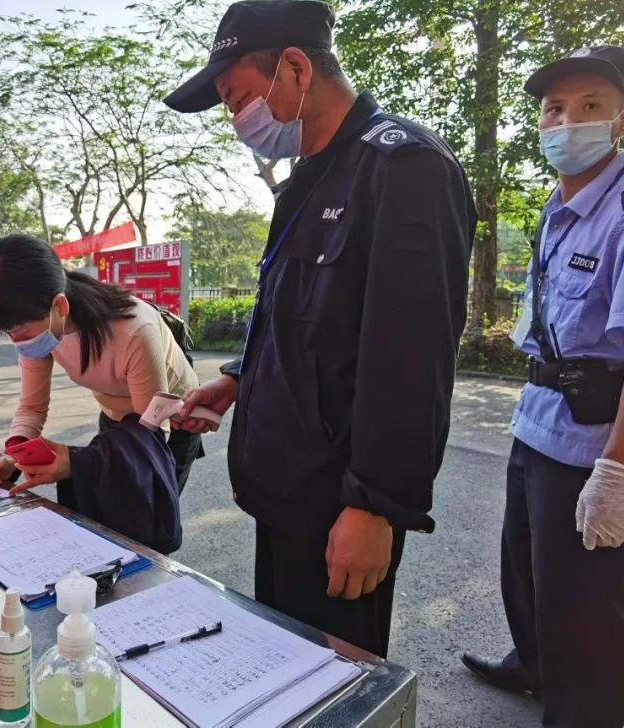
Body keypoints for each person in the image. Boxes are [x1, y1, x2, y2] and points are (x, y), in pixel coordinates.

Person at [165, 0, 475, 659]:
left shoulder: (405, 170)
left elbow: (411, 360)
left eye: (238, 96)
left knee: (337, 693)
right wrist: (237, 381)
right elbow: (295, 313)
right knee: (283, 674)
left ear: (296, 69)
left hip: (341, 509)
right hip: (284, 492)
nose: (236, 119)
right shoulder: (306, 181)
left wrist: (376, 506)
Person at [460, 46, 624, 728]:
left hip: (595, 438)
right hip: (540, 418)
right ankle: (534, 665)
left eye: (590, 107)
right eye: (555, 107)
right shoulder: (559, 205)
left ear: (623, 121)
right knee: (527, 571)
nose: (567, 120)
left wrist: (614, 475)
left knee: (584, 604)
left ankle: (584, 713)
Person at [0, 234, 205, 502]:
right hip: (117, 419)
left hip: (168, 424)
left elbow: (148, 437)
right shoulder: (42, 325)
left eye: (21, 331)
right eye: (6, 332)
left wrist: (77, 463)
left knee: (146, 513)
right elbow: (32, 407)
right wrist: (14, 457)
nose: (16, 343)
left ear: (59, 305)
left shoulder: (134, 331)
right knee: (109, 506)